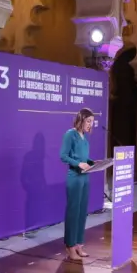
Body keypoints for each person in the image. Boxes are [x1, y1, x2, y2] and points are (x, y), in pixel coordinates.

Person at [59, 108, 95, 262]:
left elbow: (83, 158)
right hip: (74, 177)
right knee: (73, 212)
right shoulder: (70, 134)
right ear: (81, 119)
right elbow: (63, 156)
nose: (90, 124)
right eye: (88, 121)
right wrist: (78, 164)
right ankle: (70, 246)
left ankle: (79, 244)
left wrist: (93, 163)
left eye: (92, 122)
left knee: (82, 212)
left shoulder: (84, 138)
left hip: (85, 177)